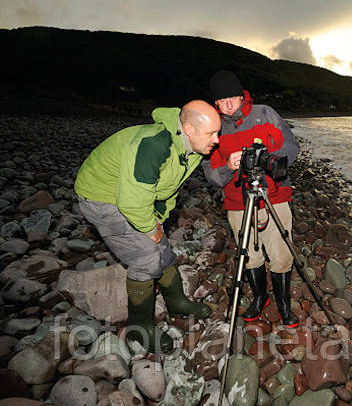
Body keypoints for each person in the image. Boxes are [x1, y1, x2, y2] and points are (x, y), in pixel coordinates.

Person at [74, 100, 221, 353]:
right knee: (145, 257)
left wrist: (158, 221)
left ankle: (176, 303)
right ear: (188, 129)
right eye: (212, 133)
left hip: (131, 195)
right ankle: (138, 328)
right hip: (100, 196)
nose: (217, 140)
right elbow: (131, 201)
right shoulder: (154, 145)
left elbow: (168, 190)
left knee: (162, 250)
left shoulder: (192, 149)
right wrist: (149, 229)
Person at [203, 70, 300, 328]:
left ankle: (284, 304)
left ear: (240, 94)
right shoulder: (214, 128)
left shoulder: (264, 113)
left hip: (274, 196)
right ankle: (260, 298)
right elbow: (211, 175)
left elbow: (291, 146)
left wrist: (268, 160)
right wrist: (227, 165)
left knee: (281, 254)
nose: (228, 105)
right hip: (238, 202)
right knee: (250, 256)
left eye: (231, 98)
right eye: (221, 102)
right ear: (215, 104)